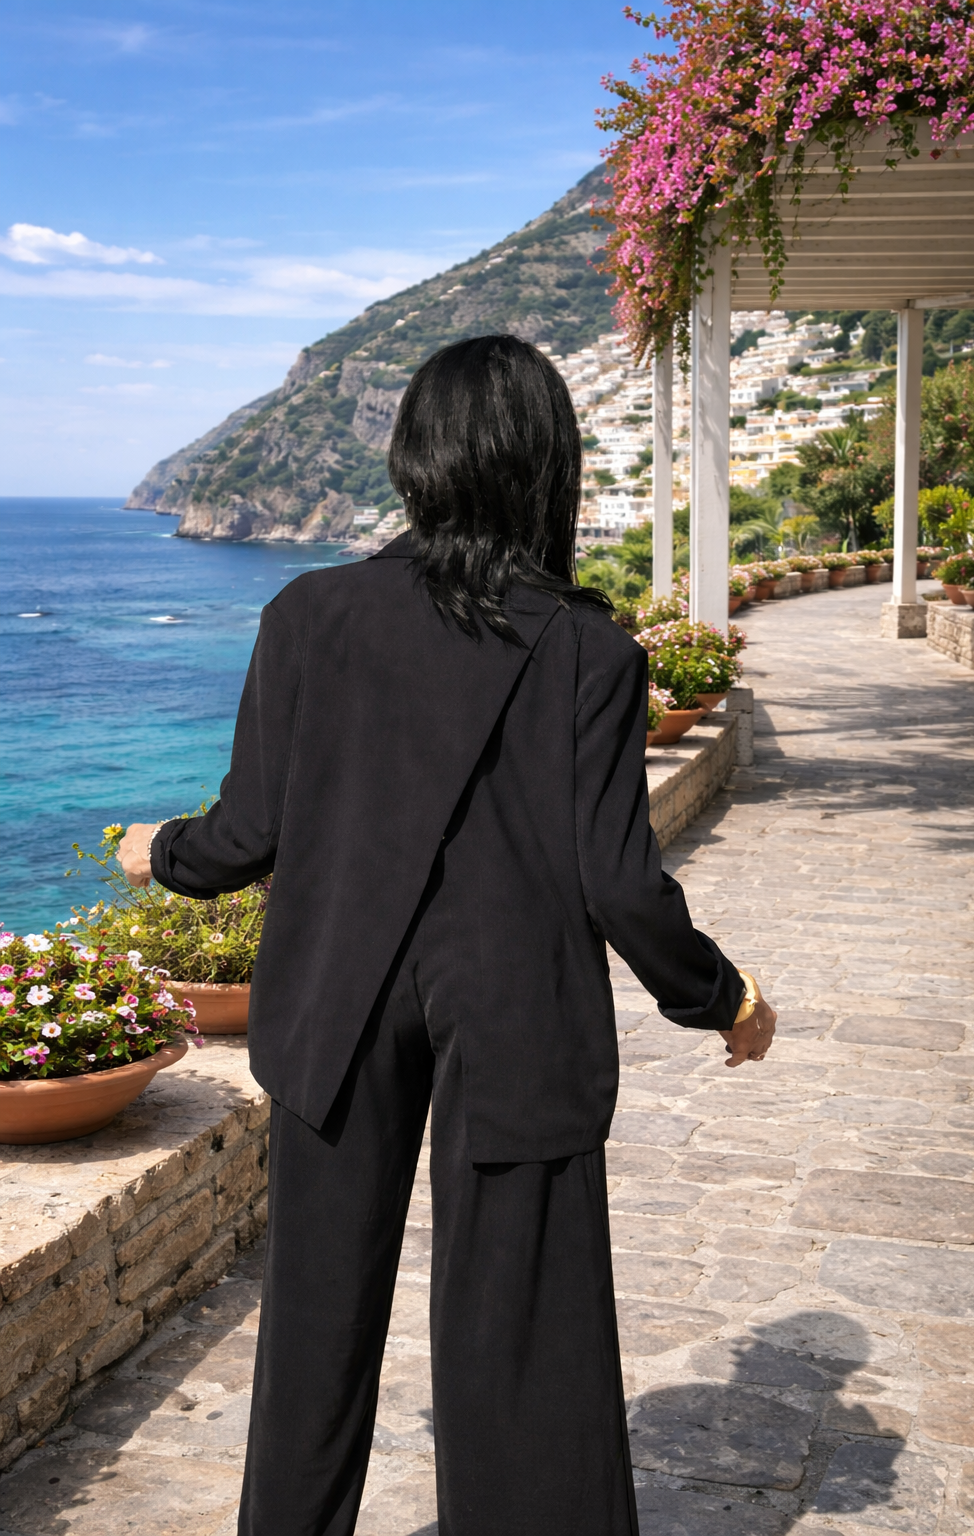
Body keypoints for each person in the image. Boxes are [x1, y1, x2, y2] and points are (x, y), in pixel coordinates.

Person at [117, 334, 777, 1536]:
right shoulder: (587, 649)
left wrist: (156, 851)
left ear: (414, 459)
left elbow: (248, 835)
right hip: (515, 1006)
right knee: (524, 1323)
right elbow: (618, 884)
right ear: (546, 466)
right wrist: (721, 997)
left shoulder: (310, 614)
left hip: (337, 1001)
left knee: (314, 1328)